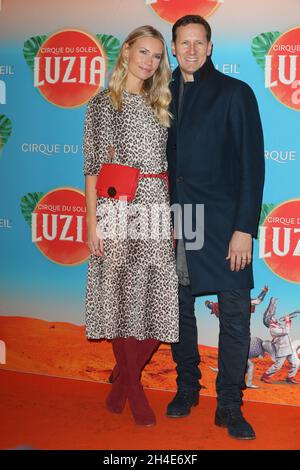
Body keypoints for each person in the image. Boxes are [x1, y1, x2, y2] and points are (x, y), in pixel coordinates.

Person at [166, 15, 265, 440]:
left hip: (226, 222)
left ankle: (229, 404)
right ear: (173, 47)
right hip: (176, 219)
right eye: (183, 42)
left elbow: (252, 166)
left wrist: (245, 227)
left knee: (236, 315)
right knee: (178, 311)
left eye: (198, 42)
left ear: (210, 47)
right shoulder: (158, 94)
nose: (190, 50)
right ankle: (187, 388)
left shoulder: (235, 93)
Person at [83, 25, 179, 427]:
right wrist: (92, 223)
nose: (150, 61)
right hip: (118, 207)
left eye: (158, 56)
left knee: (159, 300)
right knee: (121, 301)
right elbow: (91, 169)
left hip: (157, 205)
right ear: (126, 52)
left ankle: (124, 376)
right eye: (144, 52)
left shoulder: (163, 101)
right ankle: (134, 389)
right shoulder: (105, 103)